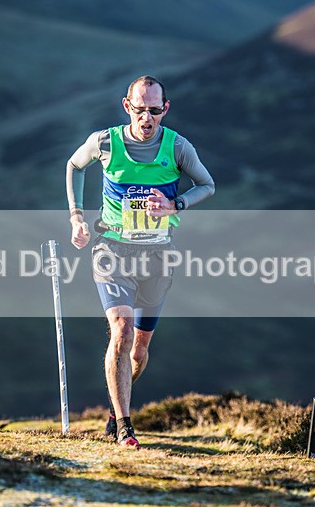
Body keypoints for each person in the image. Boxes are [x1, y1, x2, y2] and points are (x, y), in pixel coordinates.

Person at [66, 75, 215, 448]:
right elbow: (75, 166)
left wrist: (175, 204)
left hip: (157, 256)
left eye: (154, 110)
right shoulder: (105, 142)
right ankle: (126, 428)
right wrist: (76, 217)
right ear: (126, 106)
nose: (147, 118)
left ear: (165, 109)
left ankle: (115, 408)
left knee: (139, 349)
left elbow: (207, 185)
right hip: (112, 250)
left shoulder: (177, 147)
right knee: (122, 329)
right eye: (139, 109)